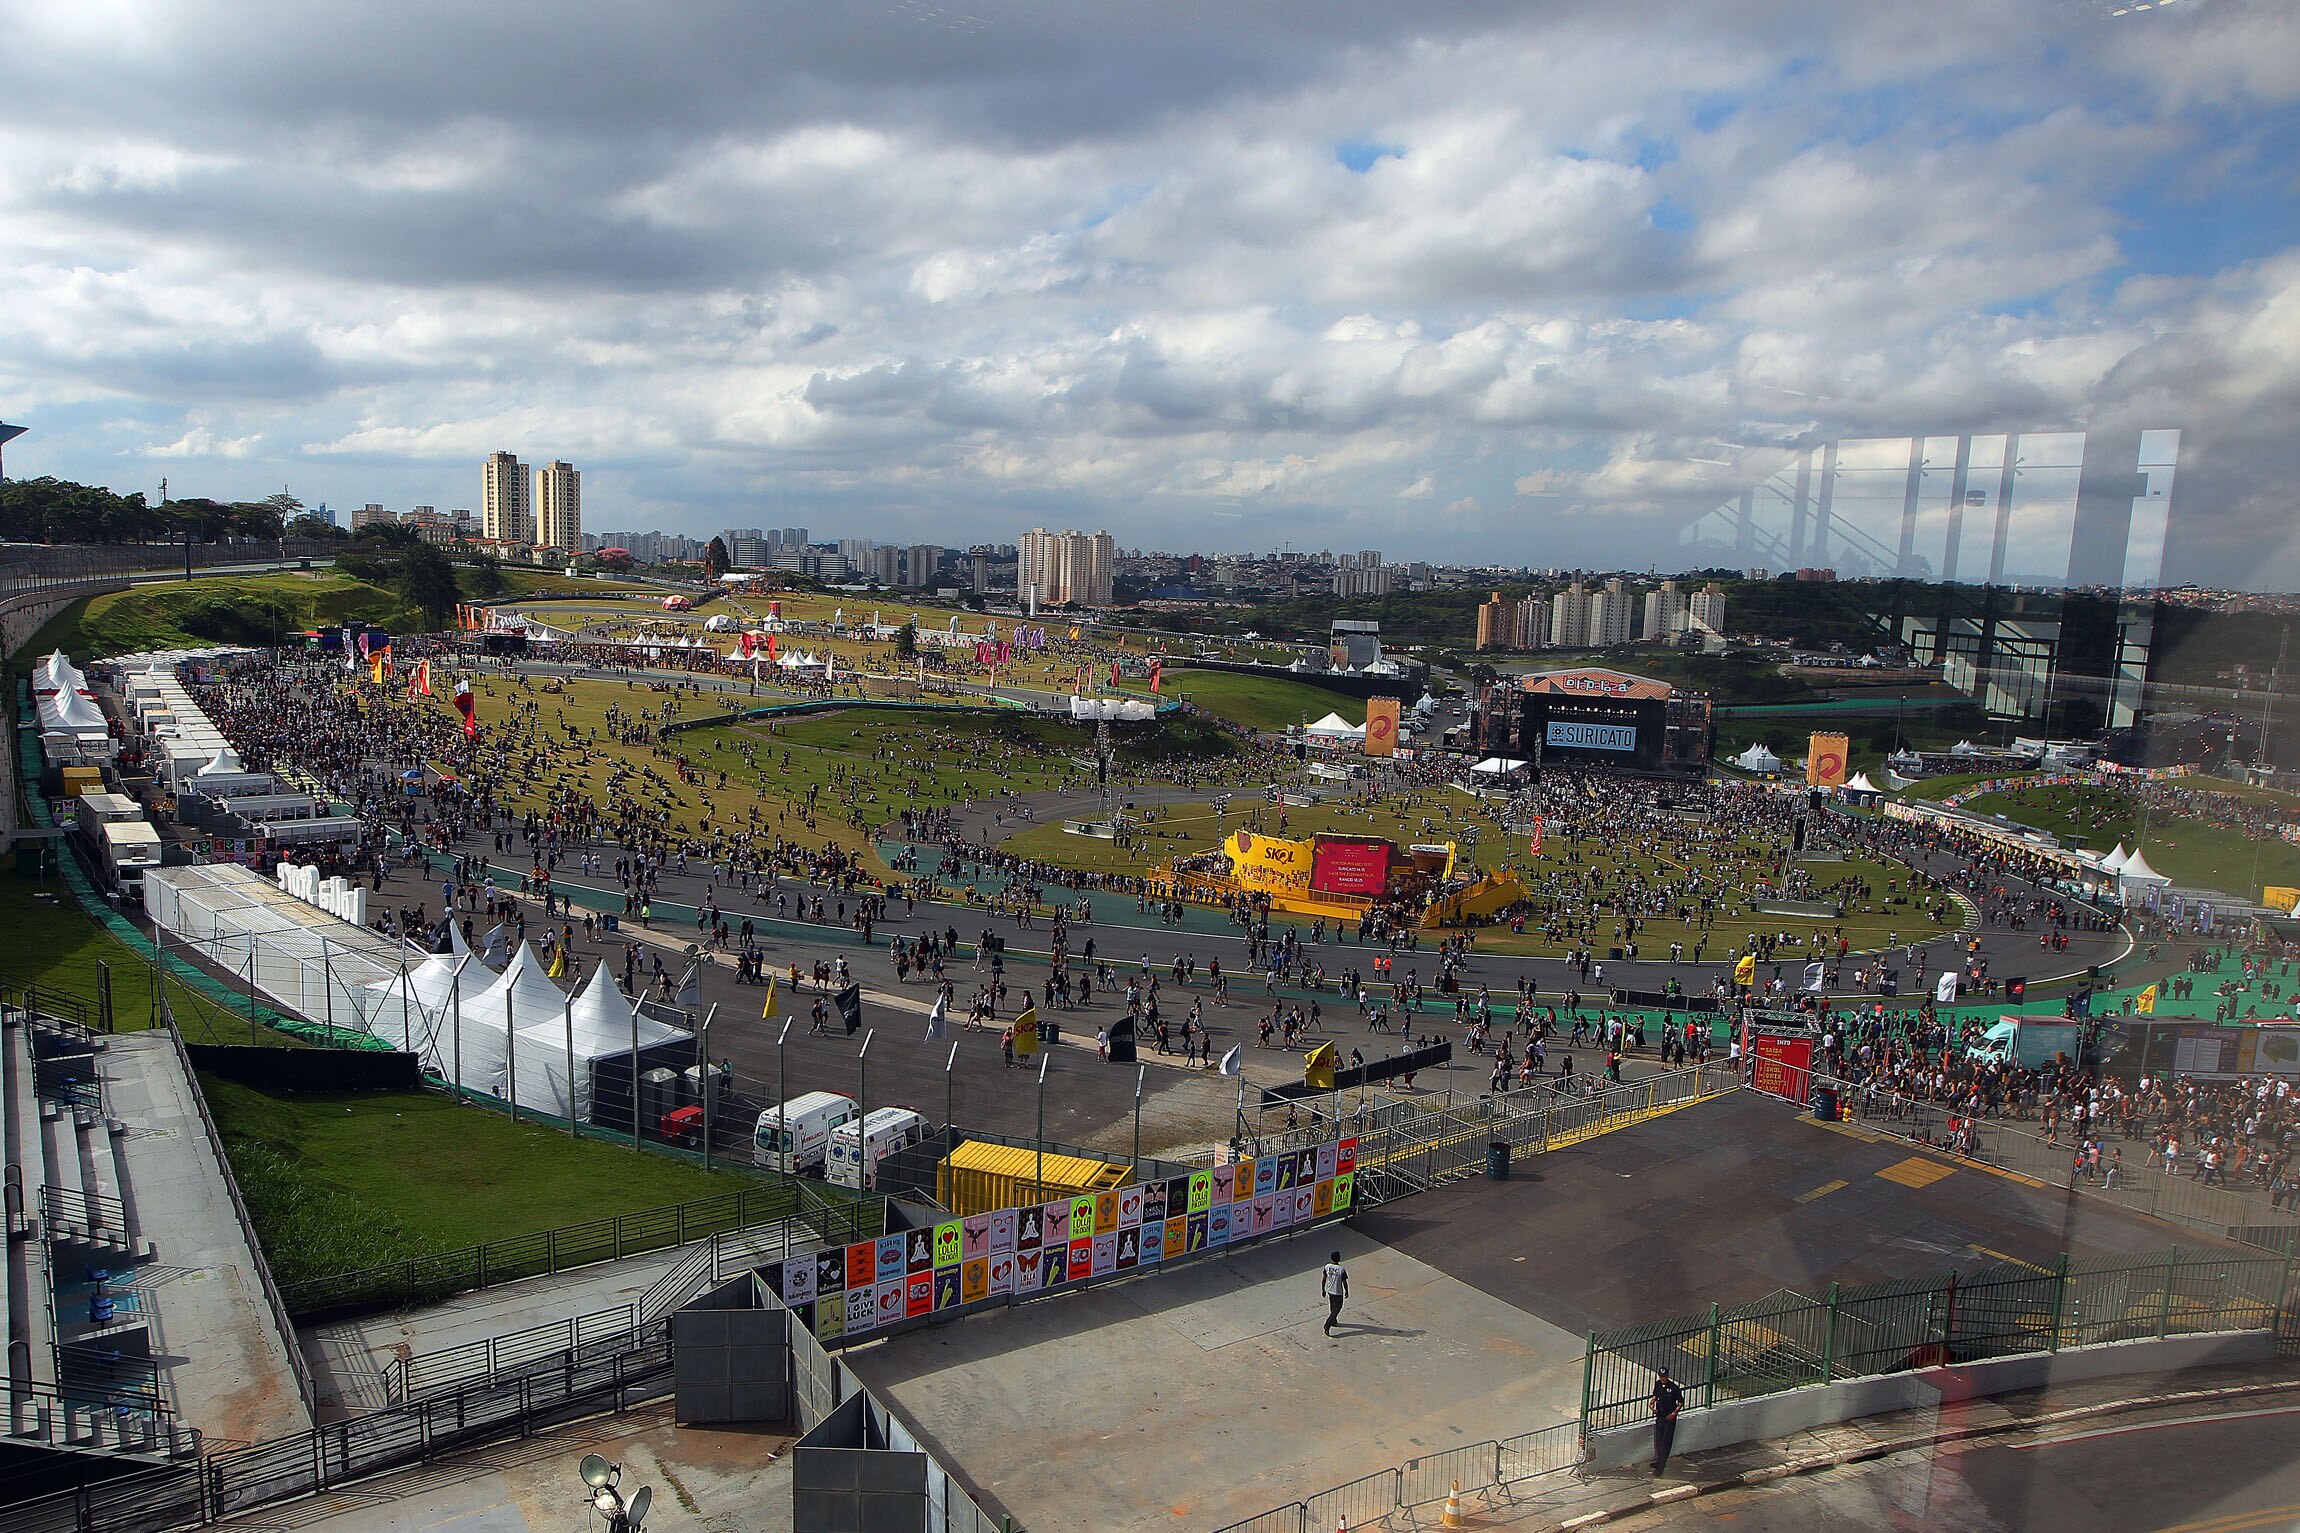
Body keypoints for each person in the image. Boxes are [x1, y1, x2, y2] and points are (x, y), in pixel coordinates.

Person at [1651, 1366, 1686, 1475]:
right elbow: (1655, 1395)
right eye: (1661, 1376)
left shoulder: (1674, 1388)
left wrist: (1674, 1413)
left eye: (1664, 1377)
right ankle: (1658, 1461)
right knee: (1658, 1441)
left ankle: (1661, 1467)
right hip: (1660, 1415)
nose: (1662, 1378)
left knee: (1666, 1442)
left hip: (1669, 1417)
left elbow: (1680, 1402)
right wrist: (1652, 1404)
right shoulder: (1658, 1384)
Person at [1320, 1250, 1349, 1335]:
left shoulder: (1327, 1267)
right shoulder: (1341, 1269)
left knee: (1333, 1307)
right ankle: (1327, 1324)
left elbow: (1324, 1278)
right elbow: (1344, 1282)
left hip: (1330, 1290)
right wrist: (1347, 1290)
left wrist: (1323, 1289)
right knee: (1338, 1308)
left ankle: (1334, 1321)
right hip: (1338, 1292)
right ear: (1339, 1258)